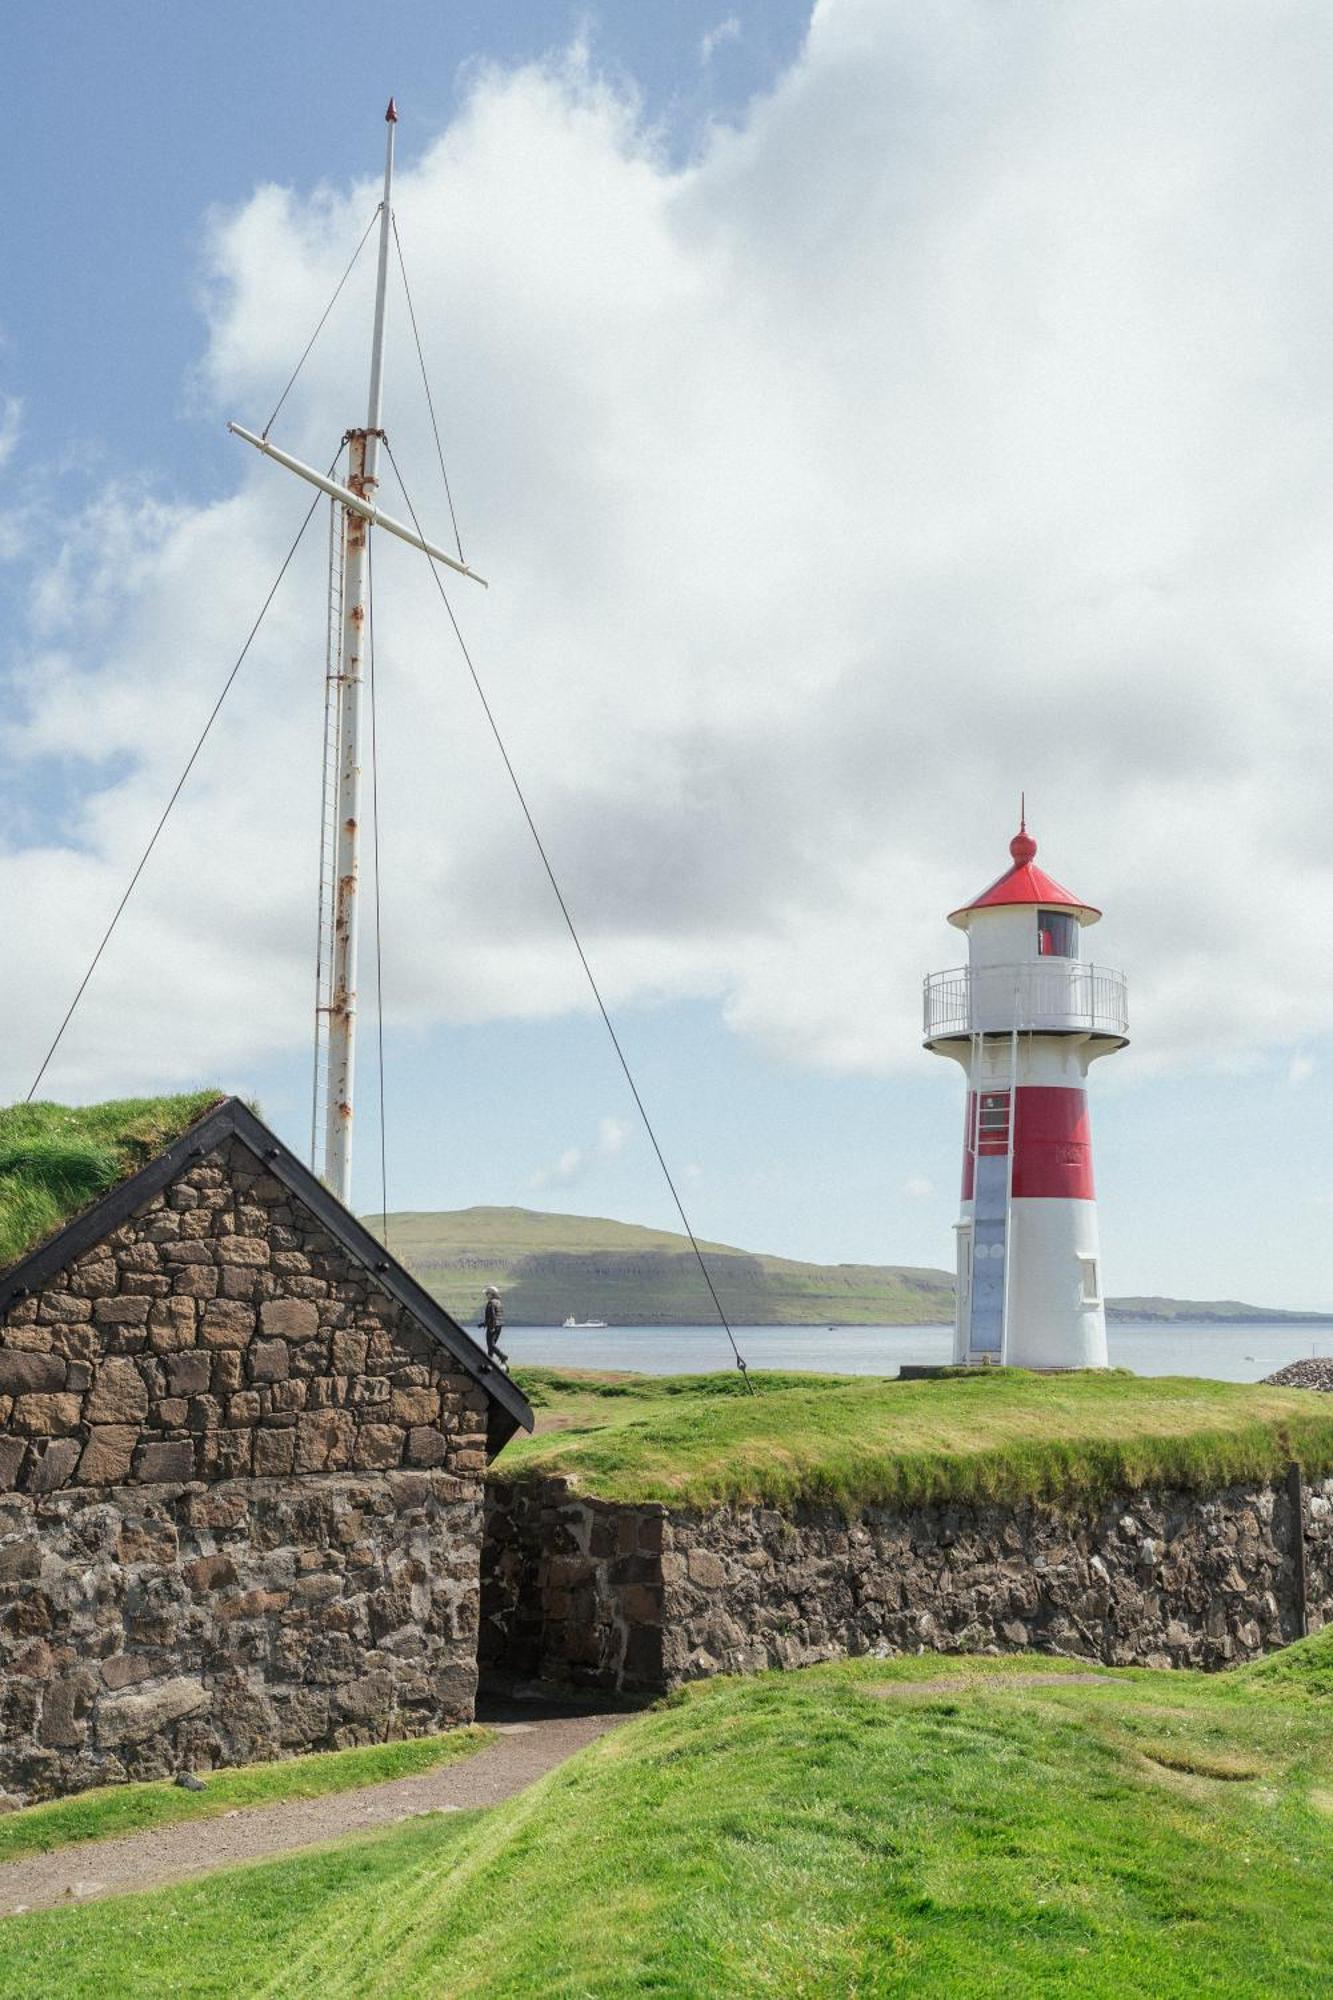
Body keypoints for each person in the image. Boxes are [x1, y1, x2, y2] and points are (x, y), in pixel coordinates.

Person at [479, 1285, 509, 1369]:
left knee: (491, 1345)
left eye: (487, 1294)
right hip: (499, 1326)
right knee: (491, 1346)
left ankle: (502, 1356)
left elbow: (492, 1316)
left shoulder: (491, 1303)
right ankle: (489, 1363)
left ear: (491, 1294)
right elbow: (497, 1316)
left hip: (493, 1326)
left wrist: (491, 1327)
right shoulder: (498, 1302)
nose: (486, 1296)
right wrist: (483, 1324)